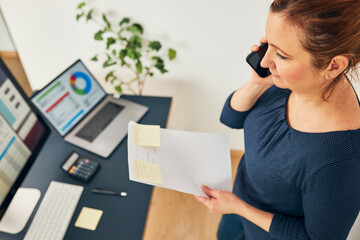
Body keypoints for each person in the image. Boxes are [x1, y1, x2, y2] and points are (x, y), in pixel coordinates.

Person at [195, 0, 360, 239]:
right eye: (268, 44)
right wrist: (256, 83)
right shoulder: (287, 81)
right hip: (234, 208)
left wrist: (239, 208)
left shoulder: (340, 159)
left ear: (333, 65)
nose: (264, 61)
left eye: (282, 54)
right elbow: (230, 118)